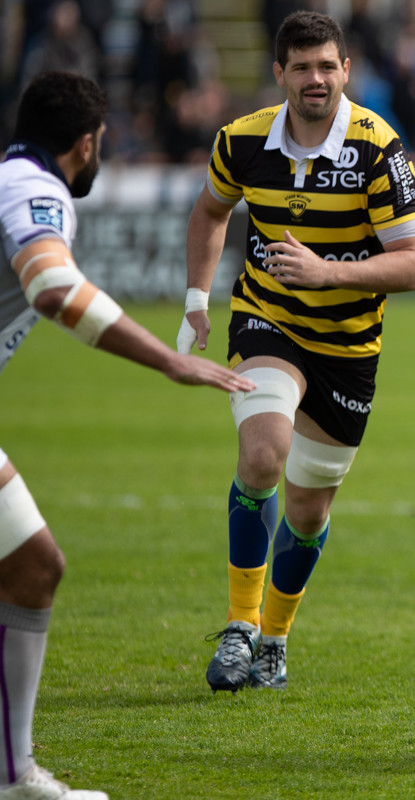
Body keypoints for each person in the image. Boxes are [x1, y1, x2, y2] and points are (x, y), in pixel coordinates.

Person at [0, 71, 253, 800]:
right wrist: (169, 360)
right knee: (29, 566)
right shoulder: (33, 190)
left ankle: (14, 775)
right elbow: (53, 289)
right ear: (87, 143)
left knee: (31, 567)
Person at [178, 10, 415, 694]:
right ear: (279, 73)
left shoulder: (379, 148)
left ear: (347, 70)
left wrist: (331, 273)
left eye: (327, 66)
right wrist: (198, 299)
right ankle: (239, 626)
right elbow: (210, 210)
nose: (315, 79)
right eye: (301, 67)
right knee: (262, 453)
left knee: (310, 510)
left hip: (348, 347)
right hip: (267, 321)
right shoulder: (243, 140)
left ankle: (276, 637)